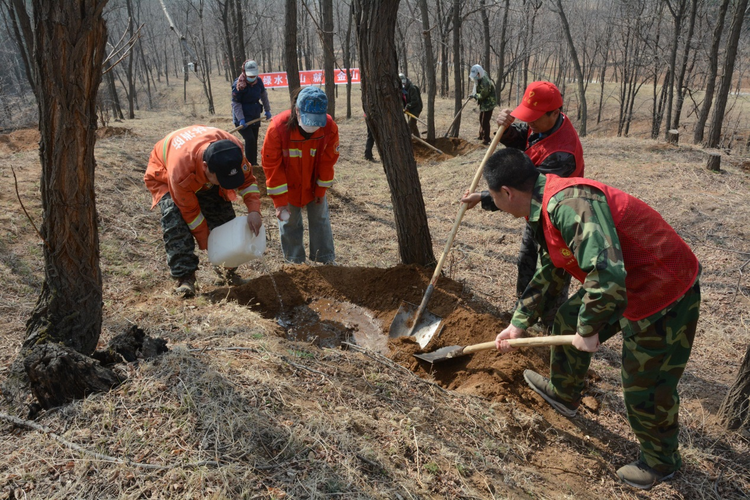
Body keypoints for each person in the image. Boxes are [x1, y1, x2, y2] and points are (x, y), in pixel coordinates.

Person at [463, 148, 701, 491]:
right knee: (566, 319)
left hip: (663, 288)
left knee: (645, 386)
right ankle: (564, 391)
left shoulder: (570, 206)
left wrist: (589, 330)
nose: (496, 205)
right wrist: (519, 322)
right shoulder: (544, 203)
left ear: (508, 193)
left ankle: (661, 462)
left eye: (495, 199)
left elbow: (607, 275)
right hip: (624, 282)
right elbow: (552, 268)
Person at [479, 81, 585, 328]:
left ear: (555, 113)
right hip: (535, 212)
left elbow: (526, 190)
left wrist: (484, 198)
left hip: (559, 219)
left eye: (535, 118)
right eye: (528, 117)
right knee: (527, 257)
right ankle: (522, 312)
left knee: (554, 270)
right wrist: (505, 130)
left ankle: (550, 324)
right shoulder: (542, 124)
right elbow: (524, 141)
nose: (530, 123)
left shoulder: (562, 154)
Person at [144, 126, 263, 297]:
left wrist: (254, 211)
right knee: (175, 221)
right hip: (166, 175)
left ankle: (227, 273)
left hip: (201, 172)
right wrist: (212, 244)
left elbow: (248, 181)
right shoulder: (180, 170)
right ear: (207, 167)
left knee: (225, 220)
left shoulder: (233, 149)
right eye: (222, 180)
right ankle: (185, 279)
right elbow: (191, 213)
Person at [261, 87, 339, 264]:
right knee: (289, 222)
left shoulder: (329, 127)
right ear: (297, 111)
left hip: (313, 182)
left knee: (320, 218)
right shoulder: (278, 128)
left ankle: (325, 258)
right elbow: (272, 165)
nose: (311, 128)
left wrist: (320, 191)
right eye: (308, 121)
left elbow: (328, 161)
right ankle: (295, 262)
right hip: (288, 185)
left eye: (315, 123)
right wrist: (280, 202)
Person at [231, 60, 272, 166]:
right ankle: (249, 164)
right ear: (244, 72)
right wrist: (241, 119)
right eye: (250, 76)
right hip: (242, 119)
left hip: (254, 116)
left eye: (254, 76)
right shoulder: (238, 85)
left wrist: (267, 110)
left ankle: (254, 163)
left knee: (254, 140)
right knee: (250, 139)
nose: (252, 78)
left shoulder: (259, 82)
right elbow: (236, 104)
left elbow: (263, 96)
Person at [469, 64, 497, 145]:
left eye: (476, 75)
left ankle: (486, 139)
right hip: (484, 102)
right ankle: (481, 135)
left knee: (485, 121)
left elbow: (482, 95)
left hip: (489, 103)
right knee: (481, 118)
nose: (475, 77)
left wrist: (474, 95)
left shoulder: (485, 83)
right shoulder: (482, 73)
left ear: (479, 73)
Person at [399, 73, 423, 137]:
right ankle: (418, 140)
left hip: (415, 109)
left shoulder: (412, 88)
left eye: (404, 83)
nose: (403, 84)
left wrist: (407, 106)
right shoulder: (402, 90)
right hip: (408, 109)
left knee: (409, 127)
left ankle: (407, 142)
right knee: (413, 126)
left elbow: (415, 101)